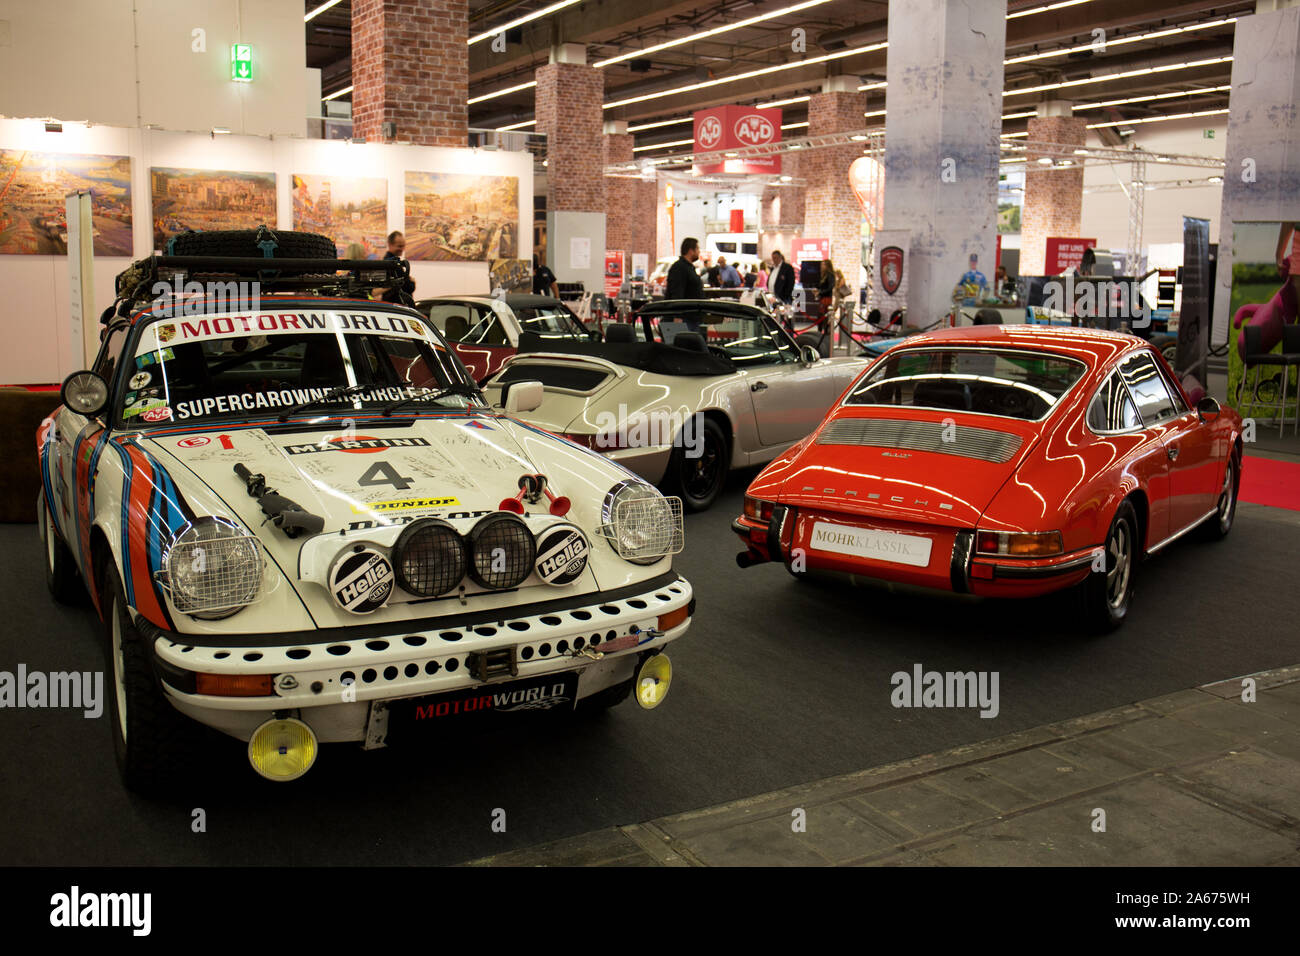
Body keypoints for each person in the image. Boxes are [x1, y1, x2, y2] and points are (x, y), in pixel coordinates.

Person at [382, 230, 416, 303]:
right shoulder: (392, 263)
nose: (402, 249)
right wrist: (412, 282)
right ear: (390, 244)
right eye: (399, 246)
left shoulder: (390, 261)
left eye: (403, 246)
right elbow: (407, 287)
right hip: (395, 305)